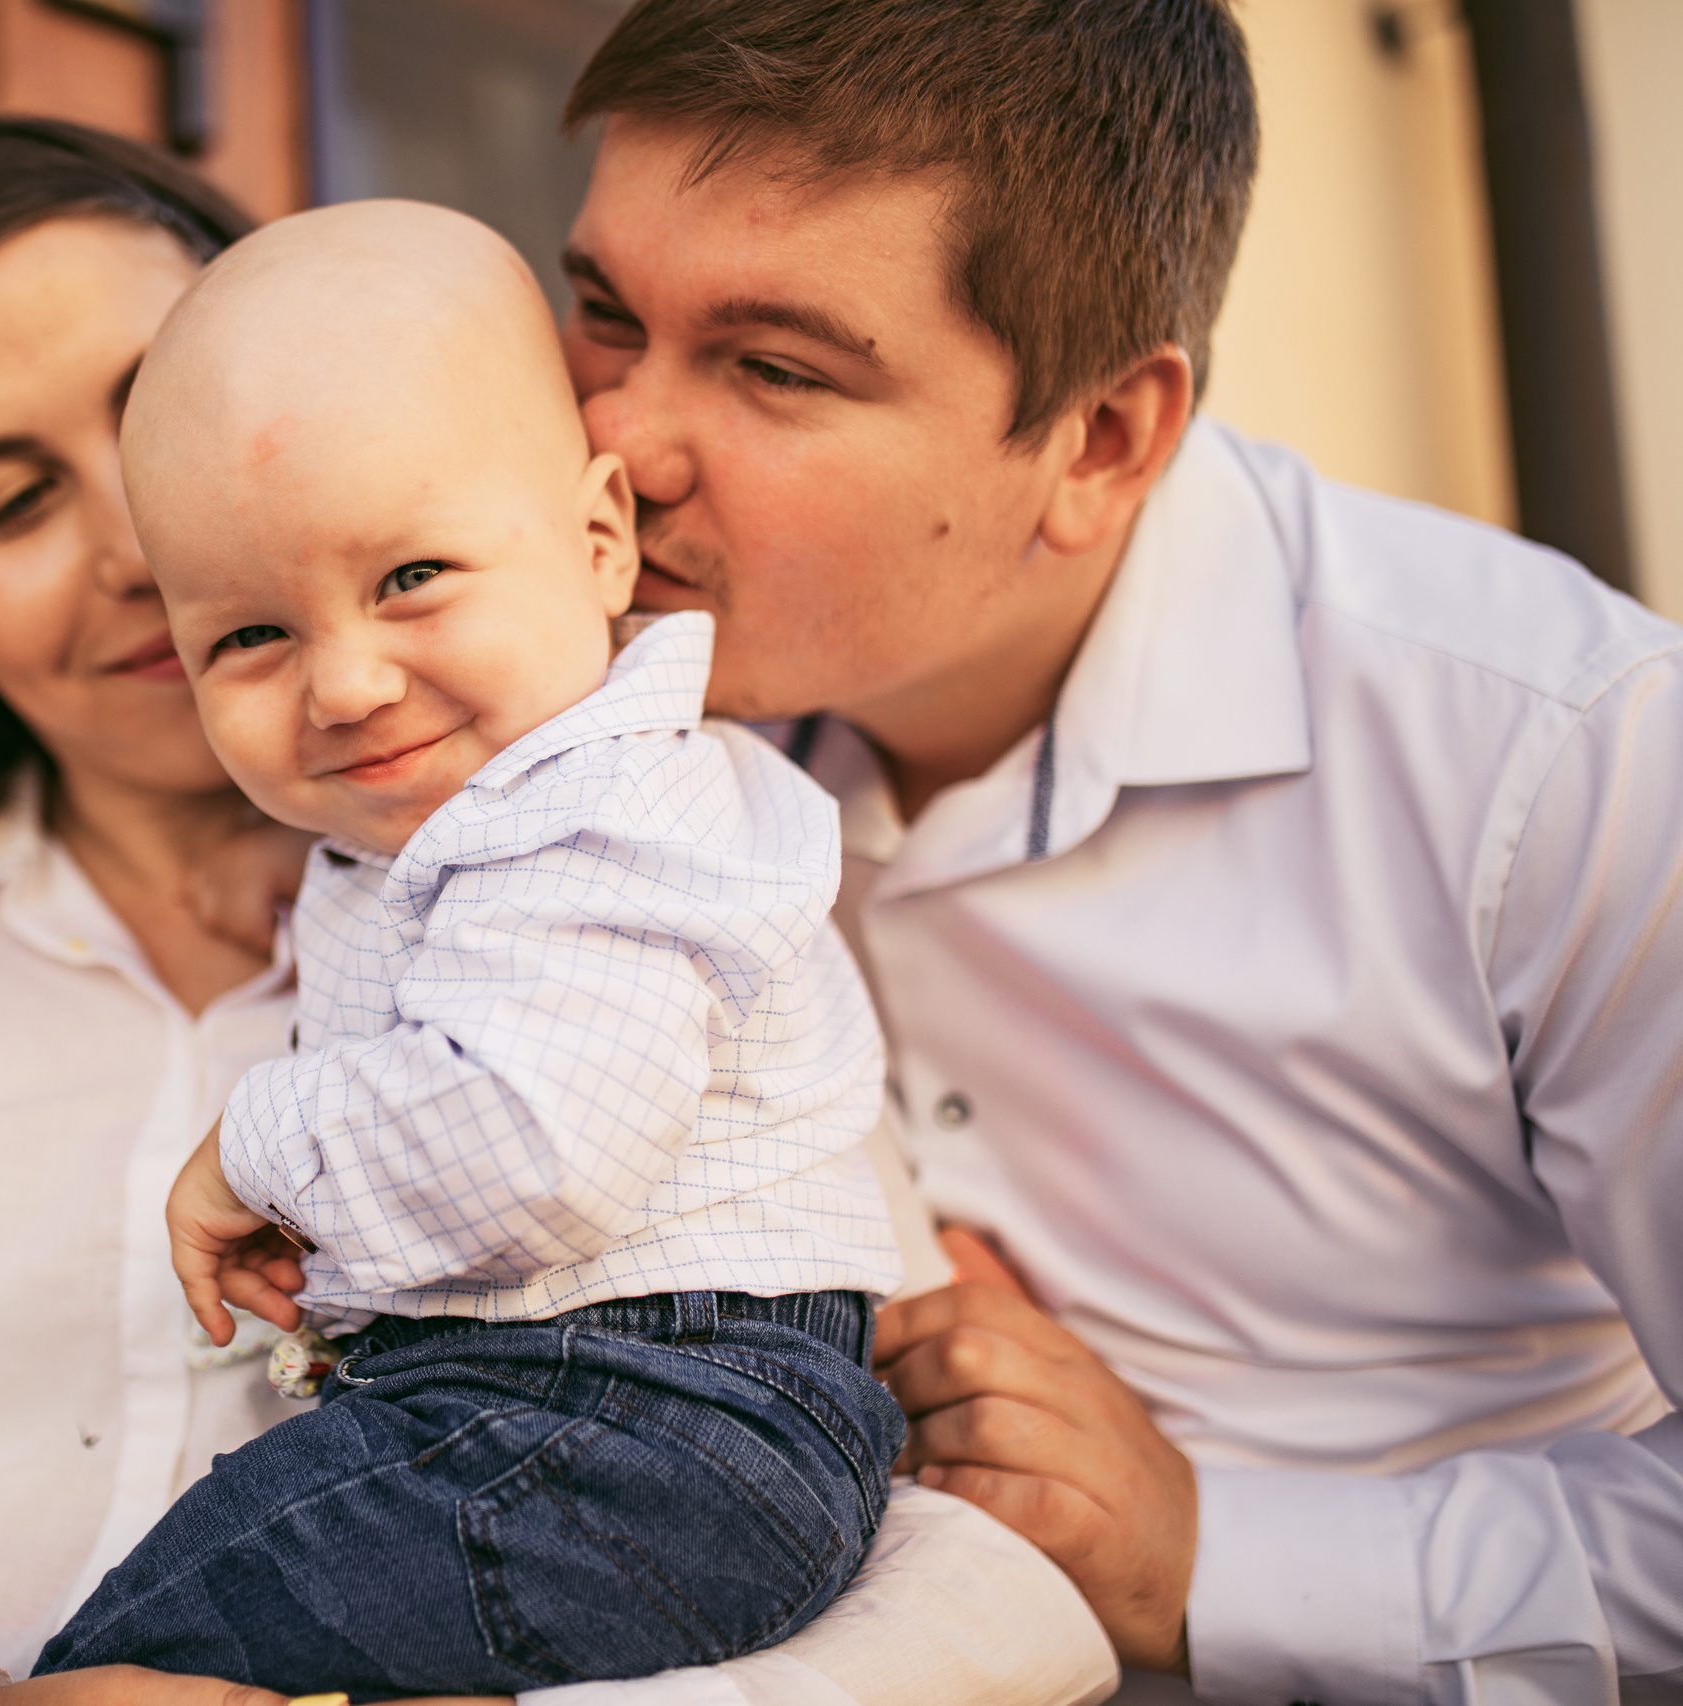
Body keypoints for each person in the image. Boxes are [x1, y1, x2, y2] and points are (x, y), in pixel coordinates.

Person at [0, 117, 1115, 1706]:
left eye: (164, 415)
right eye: (9, 502)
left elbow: (978, 1572)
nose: (135, 549)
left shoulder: (616, 844)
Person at [536, 1, 1681, 1699]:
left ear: (1103, 439)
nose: (620, 441)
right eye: (605, 316)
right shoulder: (575, 680)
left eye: (775, 368)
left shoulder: (1565, 761)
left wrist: (1221, 1553)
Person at [36, 200, 907, 1697]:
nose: (349, 682)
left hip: (656, 1410)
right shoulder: (479, 828)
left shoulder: (605, 810)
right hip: (594, 1407)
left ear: (597, 538)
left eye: (412, 576)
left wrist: (257, 1144)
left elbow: (531, 1136)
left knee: (152, 1640)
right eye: (250, 637)